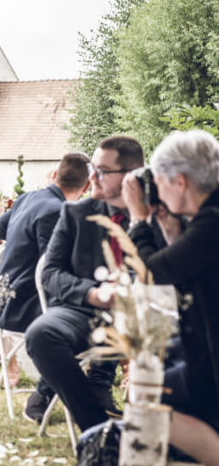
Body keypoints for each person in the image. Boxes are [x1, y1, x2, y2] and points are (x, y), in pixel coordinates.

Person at [122, 129, 219, 466]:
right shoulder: (206, 220)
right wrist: (170, 233)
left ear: (180, 181)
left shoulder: (212, 224)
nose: (156, 191)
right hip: (206, 353)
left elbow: (149, 273)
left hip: (211, 364)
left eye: (159, 182)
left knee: (148, 400)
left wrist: (137, 220)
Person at [24, 136, 146, 429]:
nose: (92, 177)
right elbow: (49, 272)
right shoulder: (76, 213)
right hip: (84, 310)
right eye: (93, 168)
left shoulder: (155, 214)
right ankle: (96, 427)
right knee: (41, 333)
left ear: (130, 175)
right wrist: (91, 293)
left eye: (102, 171)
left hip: (143, 313)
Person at [0, 152, 91, 384]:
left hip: (3, 296)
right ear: (86, 186)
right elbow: (52, 270)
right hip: (26, 304)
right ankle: (86, 380)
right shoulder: (58, 211)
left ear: (55, 174)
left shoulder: (27, 198)